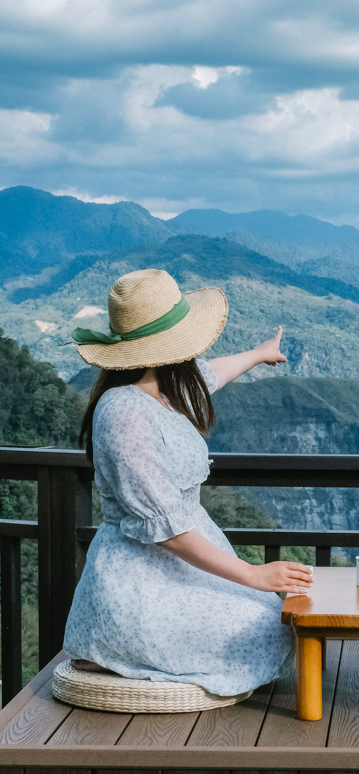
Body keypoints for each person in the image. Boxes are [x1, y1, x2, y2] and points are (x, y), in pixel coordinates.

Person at [64, 267, 312, 698]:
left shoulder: (164, 389)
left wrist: (257, 354)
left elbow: (209, 376)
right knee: (270, 630)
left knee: (279, 619)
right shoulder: (124, 412)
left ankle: (122, 652)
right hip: (140, 580)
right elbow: (167, 532)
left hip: (181, 566)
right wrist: (252, 574)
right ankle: (111, 648)